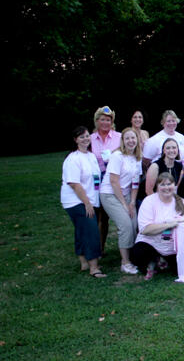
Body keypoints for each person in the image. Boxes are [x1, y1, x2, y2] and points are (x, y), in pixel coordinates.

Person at [131, 172, 184, 280]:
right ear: (157, 187)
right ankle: (156, 260)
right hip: (152, 243)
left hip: (173, 246)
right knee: (138, 253)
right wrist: (168, 225)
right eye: (162, 185)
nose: (166, 188)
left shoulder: (181, 202)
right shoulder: (149, 202)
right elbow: (145, 229)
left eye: (169, 184)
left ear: (174, 186)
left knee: (181, 269)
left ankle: (160, 261)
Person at [60, 126, 106, 278]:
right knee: (91, 231)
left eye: (87, 136)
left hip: (90, 199)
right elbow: (74, 184)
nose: (86, 139)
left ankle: (84, 263)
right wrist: (86, 203)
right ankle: (94, 267)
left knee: (82, 229)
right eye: (81, 137)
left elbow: (95, 179)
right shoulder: (73, 159)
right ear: (75, 140)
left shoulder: (91, 156)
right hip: (76, 201)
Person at [99, 128, 142, 274]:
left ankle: (134, 257)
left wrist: (132, 202)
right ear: (123, 141)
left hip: (127, 194)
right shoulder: (117, 156)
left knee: (134, 223)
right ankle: (125, 262)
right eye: (127, 138)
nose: (131, 141)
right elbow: (113, 181)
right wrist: (124, 204)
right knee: (125, 225)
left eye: (133, 138)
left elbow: (135, 183)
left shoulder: (137, 158)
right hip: (110, 194)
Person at [90, 106, 121, 256]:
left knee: (106, 215)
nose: (105, 122)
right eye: (102, 119)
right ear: (97, 121)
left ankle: (101, 247)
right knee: (97, 214)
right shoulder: (89, 139)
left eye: (108, 120)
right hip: (95, 179)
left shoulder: (119, 137)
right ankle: (96, 247)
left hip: (113, 178)